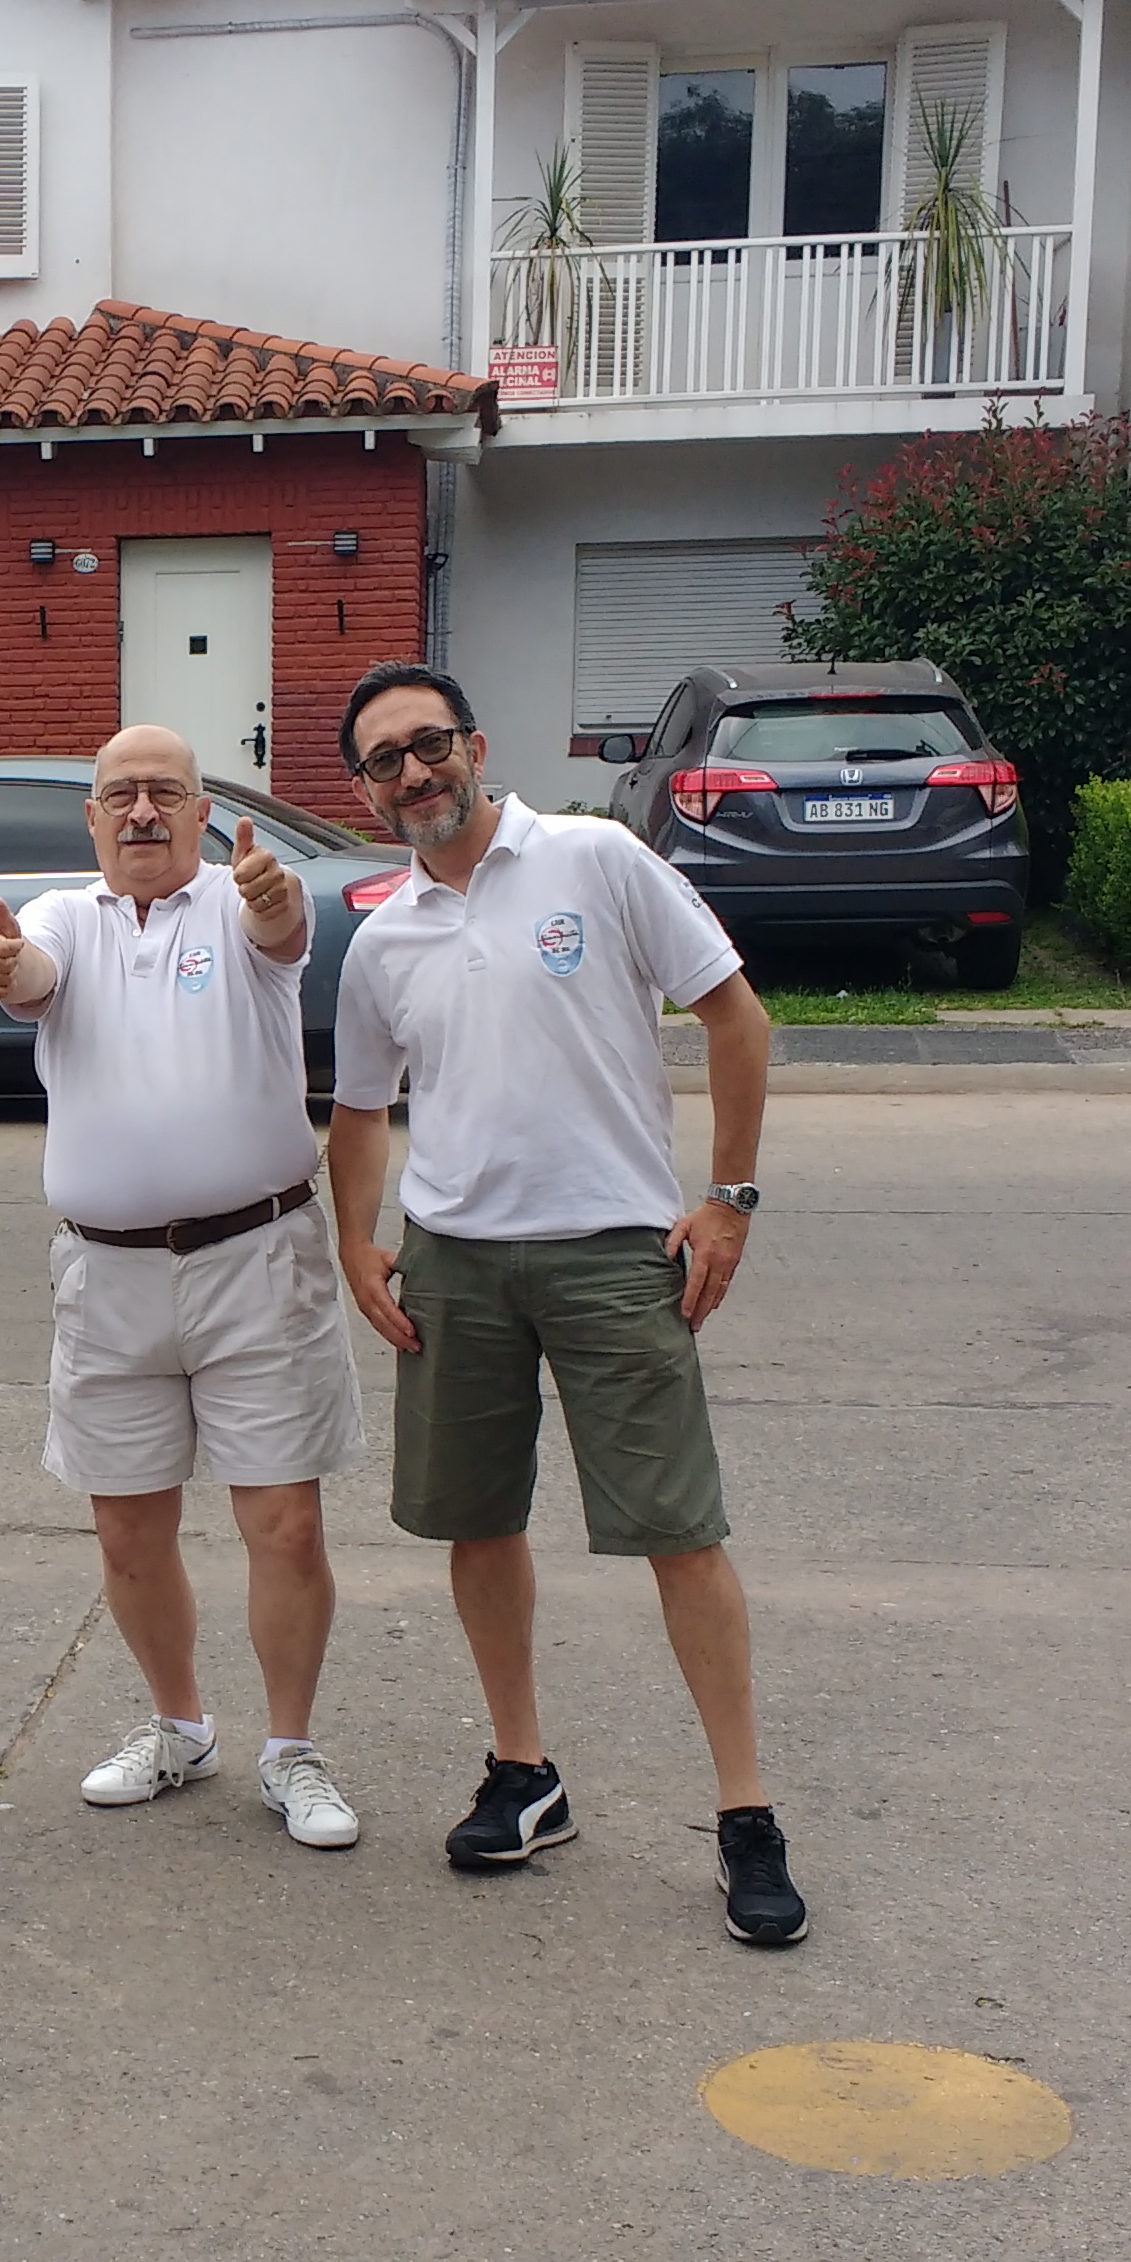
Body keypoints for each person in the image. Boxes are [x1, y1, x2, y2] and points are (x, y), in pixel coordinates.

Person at [320, 661, 805, 1945]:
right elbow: (359, 1110)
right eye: (383, 760)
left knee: (677, 1532)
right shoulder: (382, 938)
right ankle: (523, 1772)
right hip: (454, 1263)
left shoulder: (593, 858)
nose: (413, 772)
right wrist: (355, 1242)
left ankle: (745, 1814)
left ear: (474, 745)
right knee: (476, 1525)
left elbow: (736, 1019)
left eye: (428, 744)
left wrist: (728, 1199)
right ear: (364, 792)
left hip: (611, 1253)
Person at [0, 726, 368, 1848]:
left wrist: (271, 900)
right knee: (127, 1531)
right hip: (108, 1274)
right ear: (92, 818)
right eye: (120, 795)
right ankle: (179, 1727)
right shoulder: (60, 917)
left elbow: (281, 932)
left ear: (201, 812)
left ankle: (290, 1750)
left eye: (165, 793)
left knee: (283, 1523)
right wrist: (5, 966)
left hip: (257, 1262)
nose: (141, 811)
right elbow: (31, 977)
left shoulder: (244, 907)